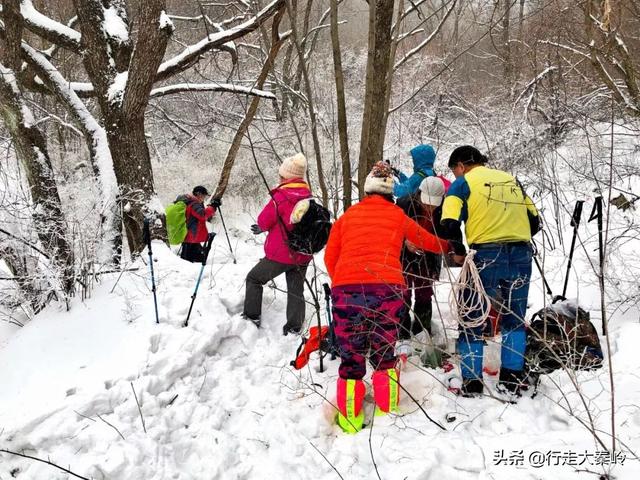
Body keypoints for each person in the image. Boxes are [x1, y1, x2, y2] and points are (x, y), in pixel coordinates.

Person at [324, 161, 450, 433]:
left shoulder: (347, 217)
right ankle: (386, 414)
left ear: (367, 192)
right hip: (387, 290)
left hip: (347, 291)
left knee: (351, 358)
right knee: (384, 352)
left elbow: (330, 257)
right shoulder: (396, 215)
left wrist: (343, 284)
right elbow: (428, 241)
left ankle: (349, 421)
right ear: (390, 194)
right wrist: (451, 245)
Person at [440, 145, 541, 397]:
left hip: (485, 255)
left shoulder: (462, 184)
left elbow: (448, 222)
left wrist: (459, 250)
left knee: (471, 317)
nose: (455, 176)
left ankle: (472, 383)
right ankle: (511, 379)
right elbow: (535, 220)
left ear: (461, 166)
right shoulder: (511, 181)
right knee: (514, 318)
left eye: (454, 171)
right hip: (521, 255)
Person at [243, 153, 312, 335]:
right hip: (303, 253)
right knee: (296, 289)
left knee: (254, 279)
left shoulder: (281, 196)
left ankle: (251, 317)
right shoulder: (308, 195)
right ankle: (294, 327)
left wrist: (262, 227)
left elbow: (264, 221)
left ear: (286, 176)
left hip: (282, 254)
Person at [395, 176, 447, 363]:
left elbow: (444, 234)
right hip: (405, 256)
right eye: (427, 204)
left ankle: (422, 330)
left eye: (434, 205)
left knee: (425, 293)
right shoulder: (403, 204)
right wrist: (405, 241)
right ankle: (402, 332)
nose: (430, 208)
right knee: (404, 293)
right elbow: (393, 229)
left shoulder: (443, 210)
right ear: (419, 196)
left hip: (428, 257)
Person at [175, 186, 221, 263]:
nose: (204, 198)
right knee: (187, 262)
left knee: (195, 259)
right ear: (198, 194)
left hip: (191, 236)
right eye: (204, 196)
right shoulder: (194, 203)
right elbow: (202, 215)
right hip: (191, 236)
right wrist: (213, 207)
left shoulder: (192, 202)